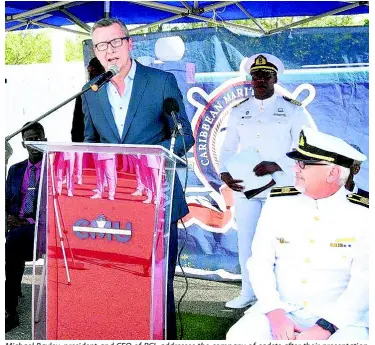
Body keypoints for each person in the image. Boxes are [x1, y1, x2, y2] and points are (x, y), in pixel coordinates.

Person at [81, 18, 195, 339]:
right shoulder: (91, 92)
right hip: (116, 206)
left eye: (115, 42)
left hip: (158, 199)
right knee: (123, 282)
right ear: (95, 52)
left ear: (130, 43)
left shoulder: (160, 82)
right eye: (101, 45)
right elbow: (90, 145)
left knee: (158, 285)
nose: (109, 51)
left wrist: (145, 158)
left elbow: (183, 136)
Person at [227, 126, 369, 341]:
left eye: (304, 164)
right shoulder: (279, 203)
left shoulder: (365, 213)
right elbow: (259, 262)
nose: (295, 169)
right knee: (239, 337)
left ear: (333, 172)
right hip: (282, 309)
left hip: (342, 318)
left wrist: (327, 327)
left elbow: (365, 281)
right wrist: (275, 312)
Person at [219, 53, 317, 309]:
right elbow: (228, 148)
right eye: (256, 76)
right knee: (247, 240)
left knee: (283, 240)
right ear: (250, 80)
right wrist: (224, 172)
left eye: (266, 75)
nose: (260, 80)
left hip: (282, 183)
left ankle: (285, 295)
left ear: (275, 78)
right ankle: (249, 292)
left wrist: (279, 165)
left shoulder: (293, 109)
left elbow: (308, 146)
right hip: (247, 186)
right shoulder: (239, 110)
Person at [5, 122, 47, 332]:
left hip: (40, 230)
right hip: (15, 227)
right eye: (30, 139)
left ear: (45, 139)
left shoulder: (53, 170)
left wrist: (24, 222)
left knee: (14, 241)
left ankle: (9, 309)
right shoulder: (15, 170)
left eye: (38, 137)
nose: (35, 143)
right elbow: (5, 201)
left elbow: (52, 209)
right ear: (24, 144)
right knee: (12, 239)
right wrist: (6, 219)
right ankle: (9, 302)